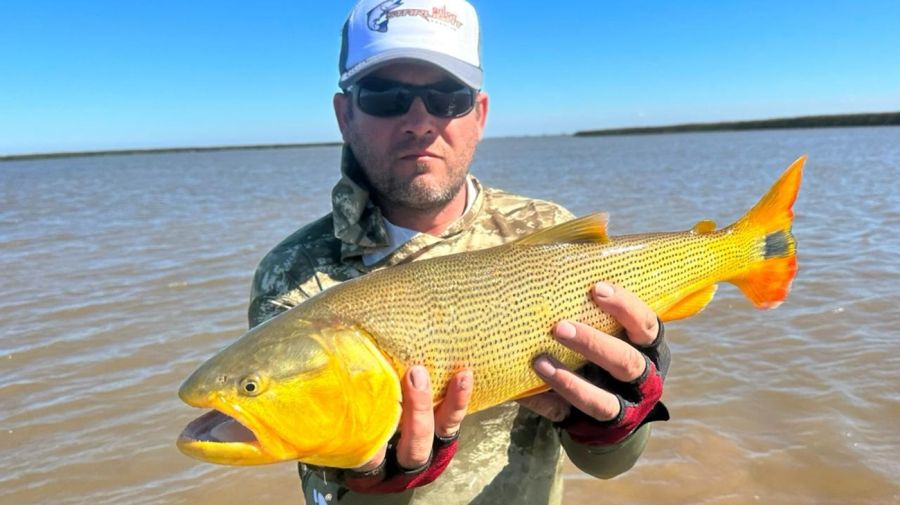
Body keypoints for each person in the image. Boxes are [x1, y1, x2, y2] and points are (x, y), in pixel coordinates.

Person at [248, 1, 671, 503]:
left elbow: (607, 468)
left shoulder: (548, 233)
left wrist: (620, 418)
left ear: (480, 114)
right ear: (345, 115)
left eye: (448, 96)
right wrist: (375, 483)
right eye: (386, 96)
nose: (420, 121)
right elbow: (323, 485)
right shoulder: (295, 276)